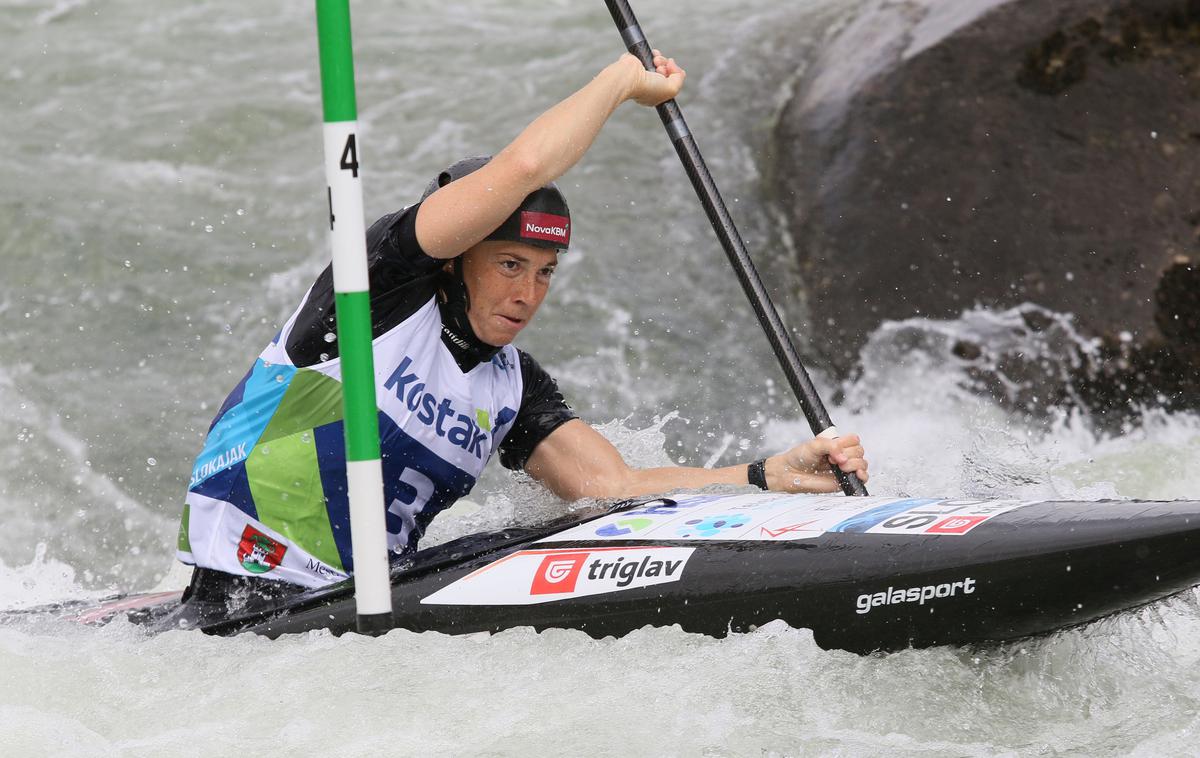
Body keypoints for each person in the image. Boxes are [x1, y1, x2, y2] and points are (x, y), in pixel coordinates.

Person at [176, 51, 868, 595]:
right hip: (244, 594)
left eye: (544, 271)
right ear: (454, 261)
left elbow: (612, 490)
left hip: (358, 606)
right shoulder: (374, 294)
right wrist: (623, 80)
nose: (528, 292)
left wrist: (766, 475)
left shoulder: (512, 385)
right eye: (508, 264)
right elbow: (527, 165)